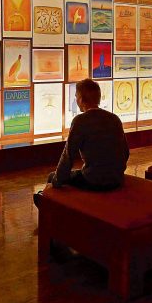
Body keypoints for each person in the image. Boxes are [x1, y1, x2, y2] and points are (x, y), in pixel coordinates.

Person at [33, 79, 129, 209]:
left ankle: (50, 209)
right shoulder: (114, 119)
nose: (75, 100)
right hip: (117, 179)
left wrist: (56, 180)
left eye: (76, 96)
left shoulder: (80, 121)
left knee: (52, 176)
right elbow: (125, 152)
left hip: (94, 180)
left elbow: (68, 156)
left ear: (82, 99)